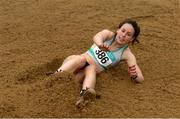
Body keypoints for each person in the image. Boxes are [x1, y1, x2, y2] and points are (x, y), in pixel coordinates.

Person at [47, 18, 144, 108]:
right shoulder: (108, 35)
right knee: (81, 59)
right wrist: (100, 44)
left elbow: (140, 78)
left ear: (132, 39)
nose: (123, 35)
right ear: (118, 30)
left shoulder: (127, 54)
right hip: (73, 63)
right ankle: (55, 76)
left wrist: (135, 75)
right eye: (123, 31)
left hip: (85, 74)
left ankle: (84, 96)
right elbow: (97, 36)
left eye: (128, 34)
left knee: (90, 69)